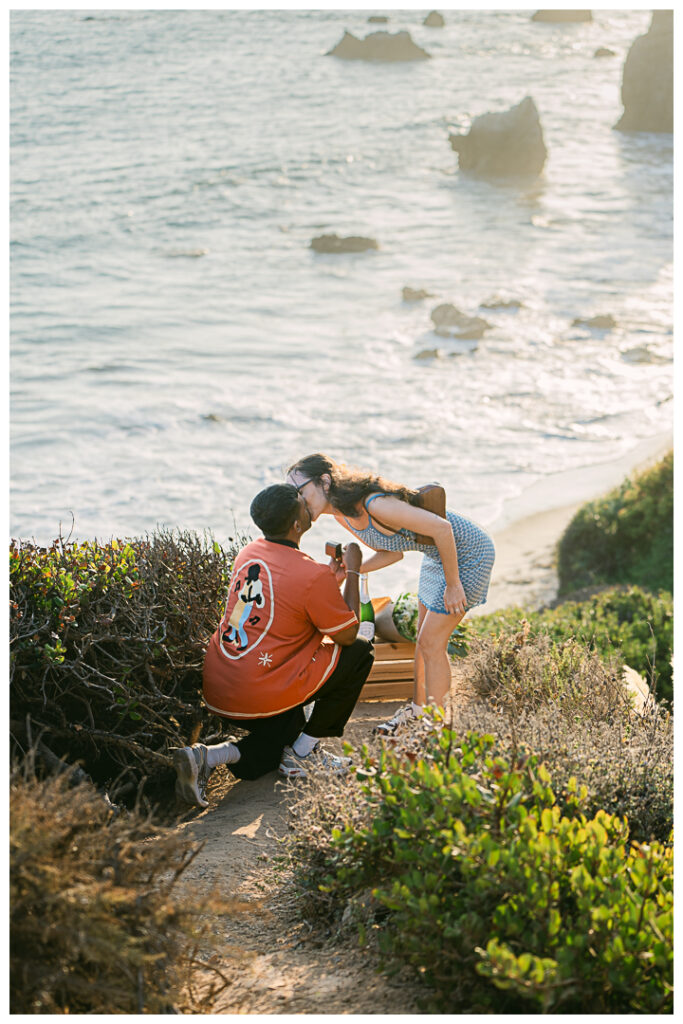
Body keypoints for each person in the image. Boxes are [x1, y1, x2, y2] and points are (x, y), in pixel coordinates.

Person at [173, 483, 373, 807]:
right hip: (259, 691)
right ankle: (303, 756)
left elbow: (270, 608)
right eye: (302, 504)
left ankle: (208, 757)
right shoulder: (311, 574)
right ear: (296, 524)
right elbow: (348, 636)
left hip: (221, 686)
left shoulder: (249, 553)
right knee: (362, 652)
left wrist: (327, 584)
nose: (308, 506)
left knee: (277, 745)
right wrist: (352, 571)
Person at [286, 454, 495, 735]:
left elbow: (442, 528)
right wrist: (353, 570)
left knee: (431, 643)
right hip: (435, 556)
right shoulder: (343, 516)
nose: (298, 500)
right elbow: (392, 553)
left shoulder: (374, 504)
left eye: (301, 491)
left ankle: (435, 725)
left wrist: (454, 584)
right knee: (422, 640)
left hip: (468, 554)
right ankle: (419, 712)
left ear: (324, 481)